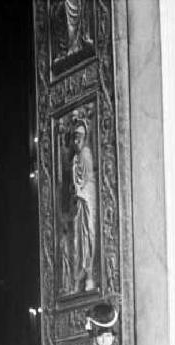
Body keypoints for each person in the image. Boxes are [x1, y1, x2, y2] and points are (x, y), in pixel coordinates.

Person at [70, 118, 97, 292]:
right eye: (74, 137)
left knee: (88, 235)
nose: (76, 141)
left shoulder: (86, 154)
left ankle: (89, 274)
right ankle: (79, 275)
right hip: (79, 202)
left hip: (87, 199)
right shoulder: (76, 157)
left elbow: (89, 180)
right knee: (78, 238)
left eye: (79, 136)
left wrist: (82, 191)